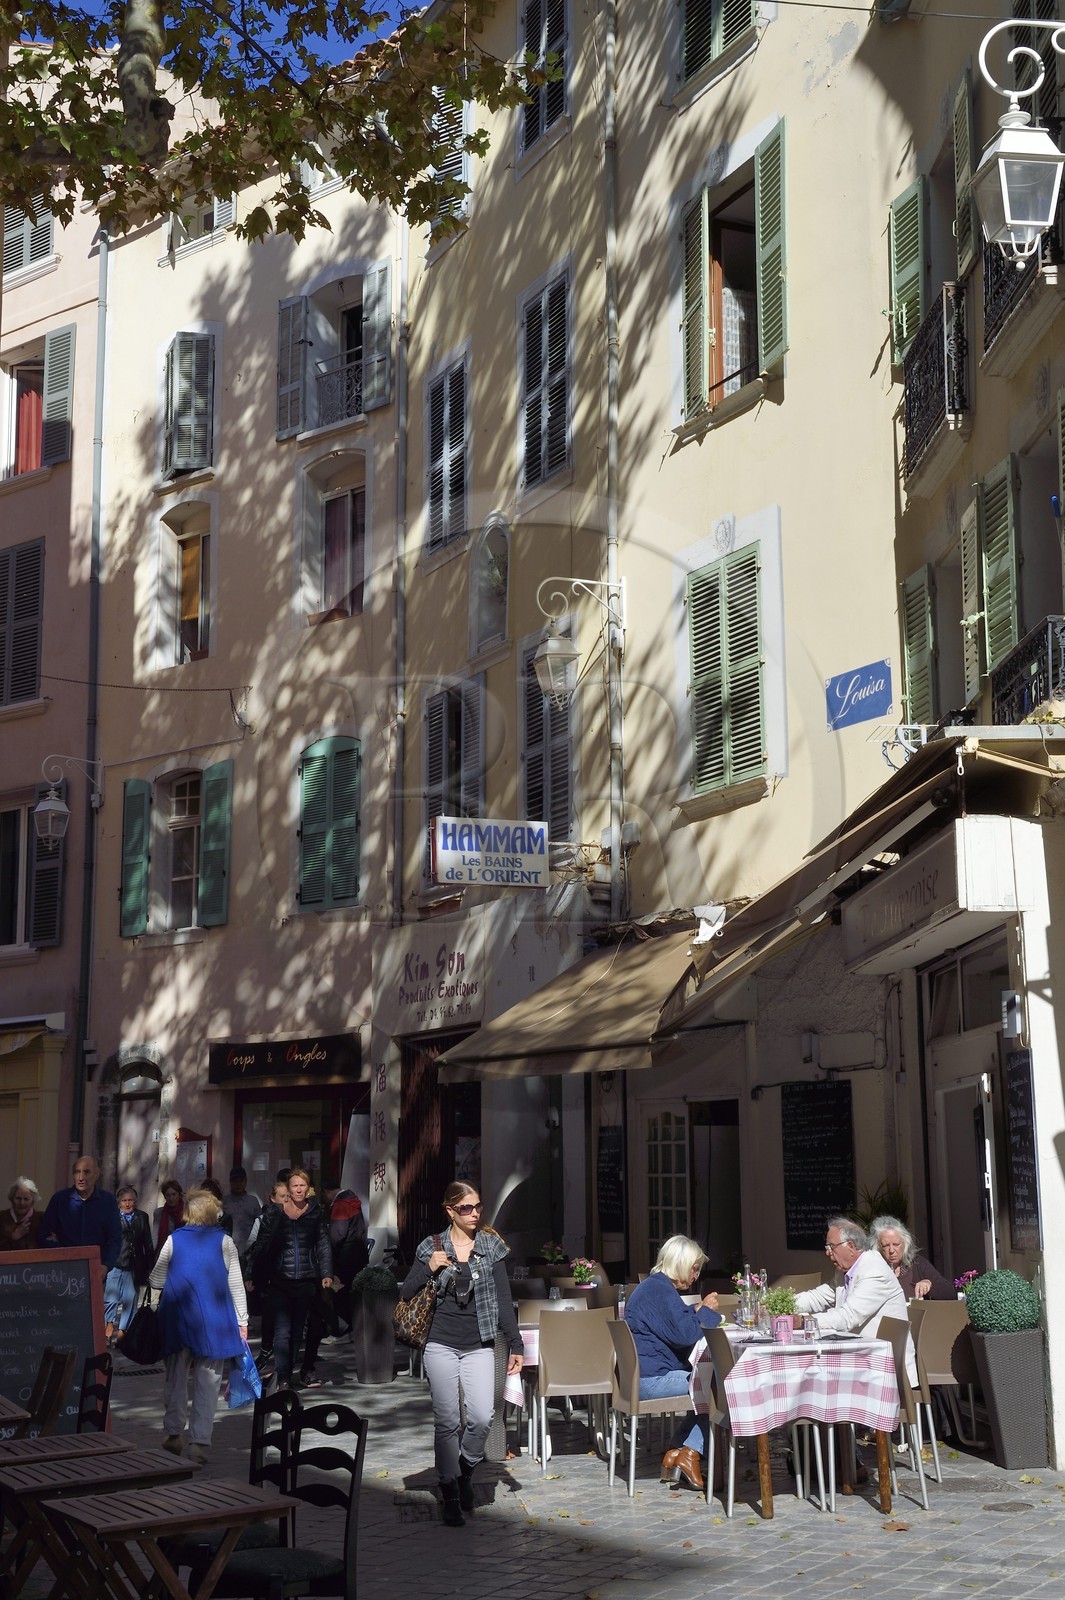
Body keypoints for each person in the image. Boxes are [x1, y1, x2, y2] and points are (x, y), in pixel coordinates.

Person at [398, 1181, 524, 1529]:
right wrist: (429, 1268)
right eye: (466, 1208)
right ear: (450, 1211)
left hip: (480, 1343)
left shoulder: (490, 1246)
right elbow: (406, 1291)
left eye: (478, 1207)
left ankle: (465, 1470)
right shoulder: (431, 1247)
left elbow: (502, 1299)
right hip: (439, 1343)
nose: (474, 1214)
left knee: (483, 1416)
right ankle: (450, 1489)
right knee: (448, 1421)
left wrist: (516, 1344)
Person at [150, 1185, 248, 1465]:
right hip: (215, 1322)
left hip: (178, 1319)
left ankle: (172, 1434)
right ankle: (199, 1441)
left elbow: (156, 1279)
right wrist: (243, 1320)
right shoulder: (225, 1242)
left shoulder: (173, 1240)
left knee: (176, 1379)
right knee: (208, 1382)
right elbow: (236, 1285)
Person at [622, 1235, 723, 1492]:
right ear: (681, 1264)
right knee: (716, 1387)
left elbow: (673, 1325)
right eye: (694, 1268)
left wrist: (696, 1311)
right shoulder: (659, 1290)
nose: (696, 1275)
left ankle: (677, 1451)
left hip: (643, 1375)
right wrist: (707, 1312)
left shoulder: (655, 1287)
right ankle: (691, 1452)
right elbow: (686, 1335)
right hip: (652, 1380)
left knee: (706, 1382)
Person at [244, 1167, 332, 1392]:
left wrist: (326, 1273)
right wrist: (252, 1274)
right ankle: (283, 1378)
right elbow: (260, 1245)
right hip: (279, 1280)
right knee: (282, 1331)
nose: (299, 1189)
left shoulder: (315, 1212)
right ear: (289, 1189)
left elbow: (322, 1243)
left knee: (295, 1331)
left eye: (303, 1185)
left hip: (305, 1280)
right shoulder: (275, 1213)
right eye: (295, 1186)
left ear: (308, 1187)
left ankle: (289, 1370)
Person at [795, 1216, 915, 1379]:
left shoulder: (874, 1272)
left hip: (885, 1369)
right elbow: (818, 1297)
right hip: (861, 1359)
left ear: (851, 1246)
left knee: (813, 1374)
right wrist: (782, 1304)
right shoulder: (846, 1271)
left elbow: (846, 1318)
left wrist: (803, 1322)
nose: (827, 1252)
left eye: (831, 1246)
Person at [40, 1156, 122, 1276]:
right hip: (63, 1272)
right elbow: (43, 1235)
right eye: (77, 1172)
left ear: (96, 1175)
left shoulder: (108, 1201)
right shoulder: (60, 1200)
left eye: (86, 1172)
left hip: (95, 1272)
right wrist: (62, 1252)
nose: (81, 1178)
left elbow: (115, 1239)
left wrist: (106, 1266)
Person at [104, 1186, 154, 1340]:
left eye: (130, 1200)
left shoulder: (142, 1216)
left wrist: (150, 1265)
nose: (127, 1204)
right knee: (111, 1298)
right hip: (115, 1262)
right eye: (124, 1201)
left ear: (135, 1201)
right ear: (118, 1203)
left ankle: (122, 1332)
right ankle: (109, 1323)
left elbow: (147, 1242)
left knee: (131, 1298)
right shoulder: (111, 1217)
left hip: (134, 1265)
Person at [869, 1215, 954, 1301]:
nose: (891, 1250)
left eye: (896, 1244)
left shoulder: (917, 1263)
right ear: (878, 1247)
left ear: (905, 1243)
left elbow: (950, 1293)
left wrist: (929, 1283)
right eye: (885, 1245)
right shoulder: (872, 1269)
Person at [226, 1167, 262, 1261]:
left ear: (245, 1181)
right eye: (235, 1181)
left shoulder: (253, 1201)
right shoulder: (224, 1202)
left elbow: (260, 1226)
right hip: (229, 1251)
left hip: (249, 1251)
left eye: (241, 1181)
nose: (238, 1184)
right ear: (230, 1182)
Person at [0, 1177, 43, 1250]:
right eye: (18, 1198)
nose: (22, 1203)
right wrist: (13, 1238)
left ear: (33, 1201)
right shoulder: (1, 1217)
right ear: (12, 1199)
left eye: (26, 1199)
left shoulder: (41, 1218)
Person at [153, 1180, 186, 1254]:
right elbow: (155, 1236)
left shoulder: (187, 1212)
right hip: (165, 1252)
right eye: (168, 1195)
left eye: (174, 1194)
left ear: (179, 1195)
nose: (171, 1198)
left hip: (183, 1252)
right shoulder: (159, 1213)